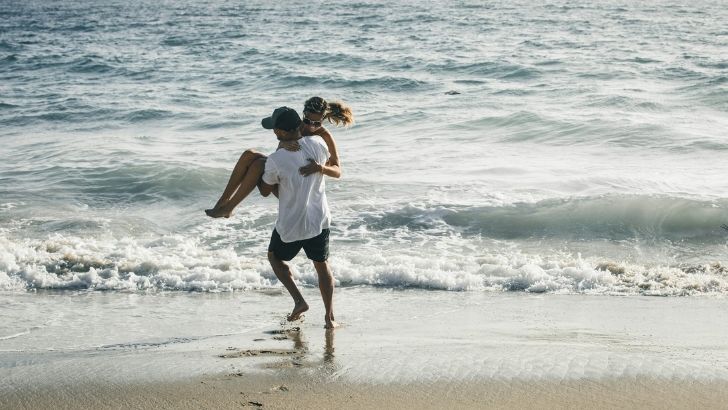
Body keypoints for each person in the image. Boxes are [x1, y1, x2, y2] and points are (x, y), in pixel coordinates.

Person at [258, 106, 339, 329]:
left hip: (291, 224)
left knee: (274, 257)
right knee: (322, 266)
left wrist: (258, 171)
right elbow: (332, 165)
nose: (274, 132)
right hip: (318, 220)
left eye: (275, 129)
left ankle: (299, 301)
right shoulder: (319, 144)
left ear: (281, 132)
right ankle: (329, 318)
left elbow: (265, 190)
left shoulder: (275, 159)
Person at [205, 97, 353, 218]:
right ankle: (223, 201)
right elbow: (280, 155)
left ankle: (229, 208)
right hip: (287, 175)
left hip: (299, 189)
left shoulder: (325, 136)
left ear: (323, 119)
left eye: (317, 123)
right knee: (248, 155)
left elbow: (337, 171)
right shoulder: (297, 126)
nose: (311, 127)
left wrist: (320, 168)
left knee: (258, 164)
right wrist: (283, 143)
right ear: (303, 115)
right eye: (308, 121)